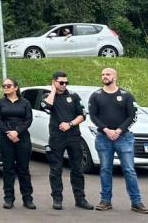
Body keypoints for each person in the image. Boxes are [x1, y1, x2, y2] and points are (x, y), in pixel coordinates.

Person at [89, 67, 148, 214]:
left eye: (108, 74)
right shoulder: (96, 96)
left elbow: (132, 116)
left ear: (115, 77)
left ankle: (136, 203)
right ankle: (105, 201)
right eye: (103, 74)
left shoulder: (126, 95)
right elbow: (93, 116)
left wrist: (119, 130)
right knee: (105, 169)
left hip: (124, 138)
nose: (105, 76)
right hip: (104, 138)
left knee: (129, 170)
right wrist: (106, 129)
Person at [40, 70, 93, 211]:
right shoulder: (48, 96)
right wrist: (53, 91)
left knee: (77, 168)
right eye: (61, 82)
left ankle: (80, 199)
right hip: (57, 137)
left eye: (66, 82)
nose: (64, 85)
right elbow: (47, 106)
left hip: (74, 136)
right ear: (54, 82)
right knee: (56, 169)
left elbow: (82, 115)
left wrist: (69, 124)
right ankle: (57, 199)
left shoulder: (73, 96)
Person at [0, 77, 34, 210]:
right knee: (8, 169)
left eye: (8, 85)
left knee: (23, 169)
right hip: (5, 138)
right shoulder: (0, 103)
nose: (5, 87)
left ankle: (27, 198)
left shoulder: (25, 102)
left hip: (22, 138)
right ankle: (9, 198)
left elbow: (28, 119)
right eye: (4, 86)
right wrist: (9, 133)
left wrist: (17, 132)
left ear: (16, 87)